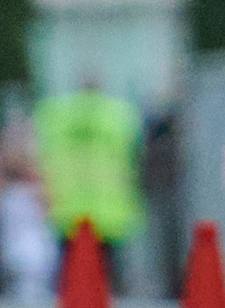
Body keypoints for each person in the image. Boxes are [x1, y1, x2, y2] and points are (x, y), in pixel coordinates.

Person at [36, 76, 146, 272]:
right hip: (109, 214)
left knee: (70, 277)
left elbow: (39, 157)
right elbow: (137, 159)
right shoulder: (120, 115)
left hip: (67, 212)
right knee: (106, 277)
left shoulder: (57, 116)